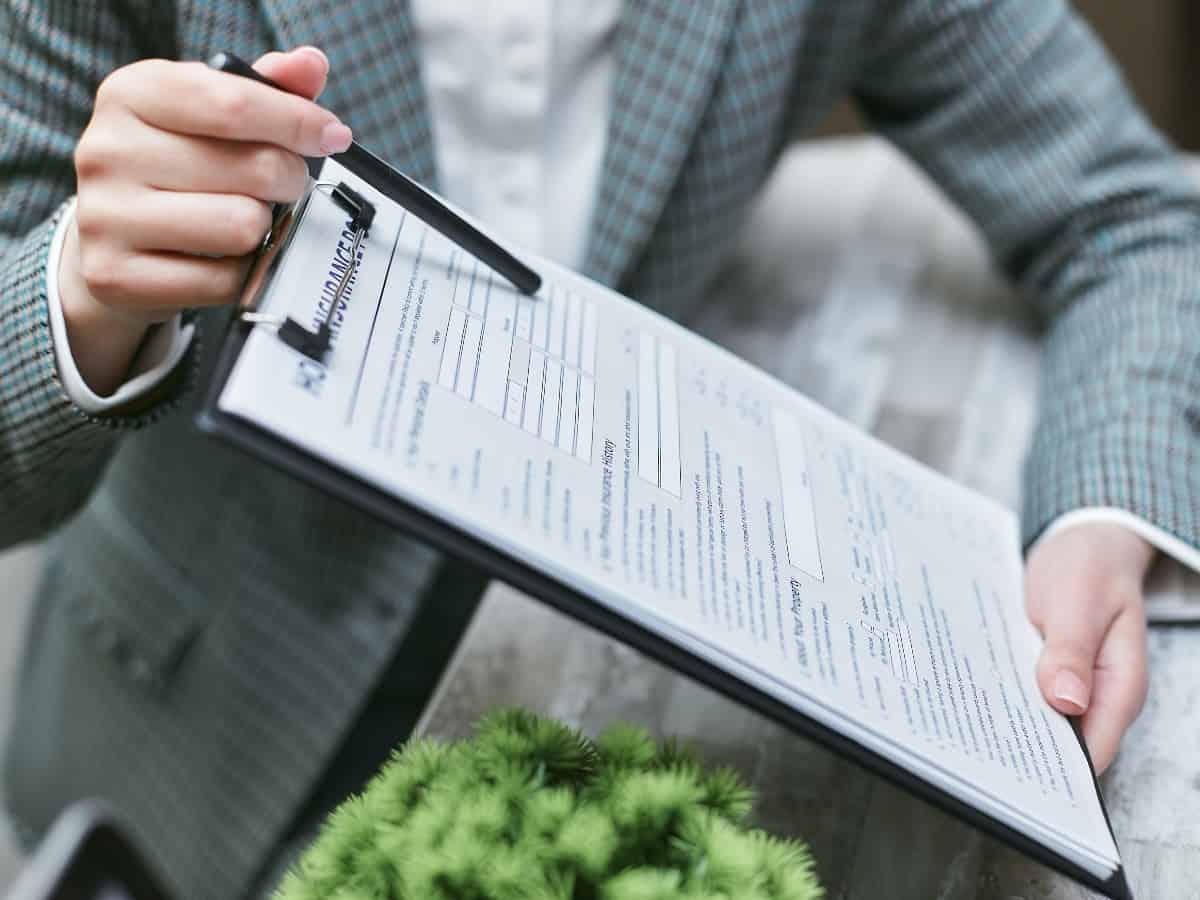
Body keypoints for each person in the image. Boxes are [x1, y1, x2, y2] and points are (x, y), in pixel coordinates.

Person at [1, 1, 1197, 897]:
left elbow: (1125, 206)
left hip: (615, 738)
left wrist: (1102, 511)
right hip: (190, 722)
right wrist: (83, 287)